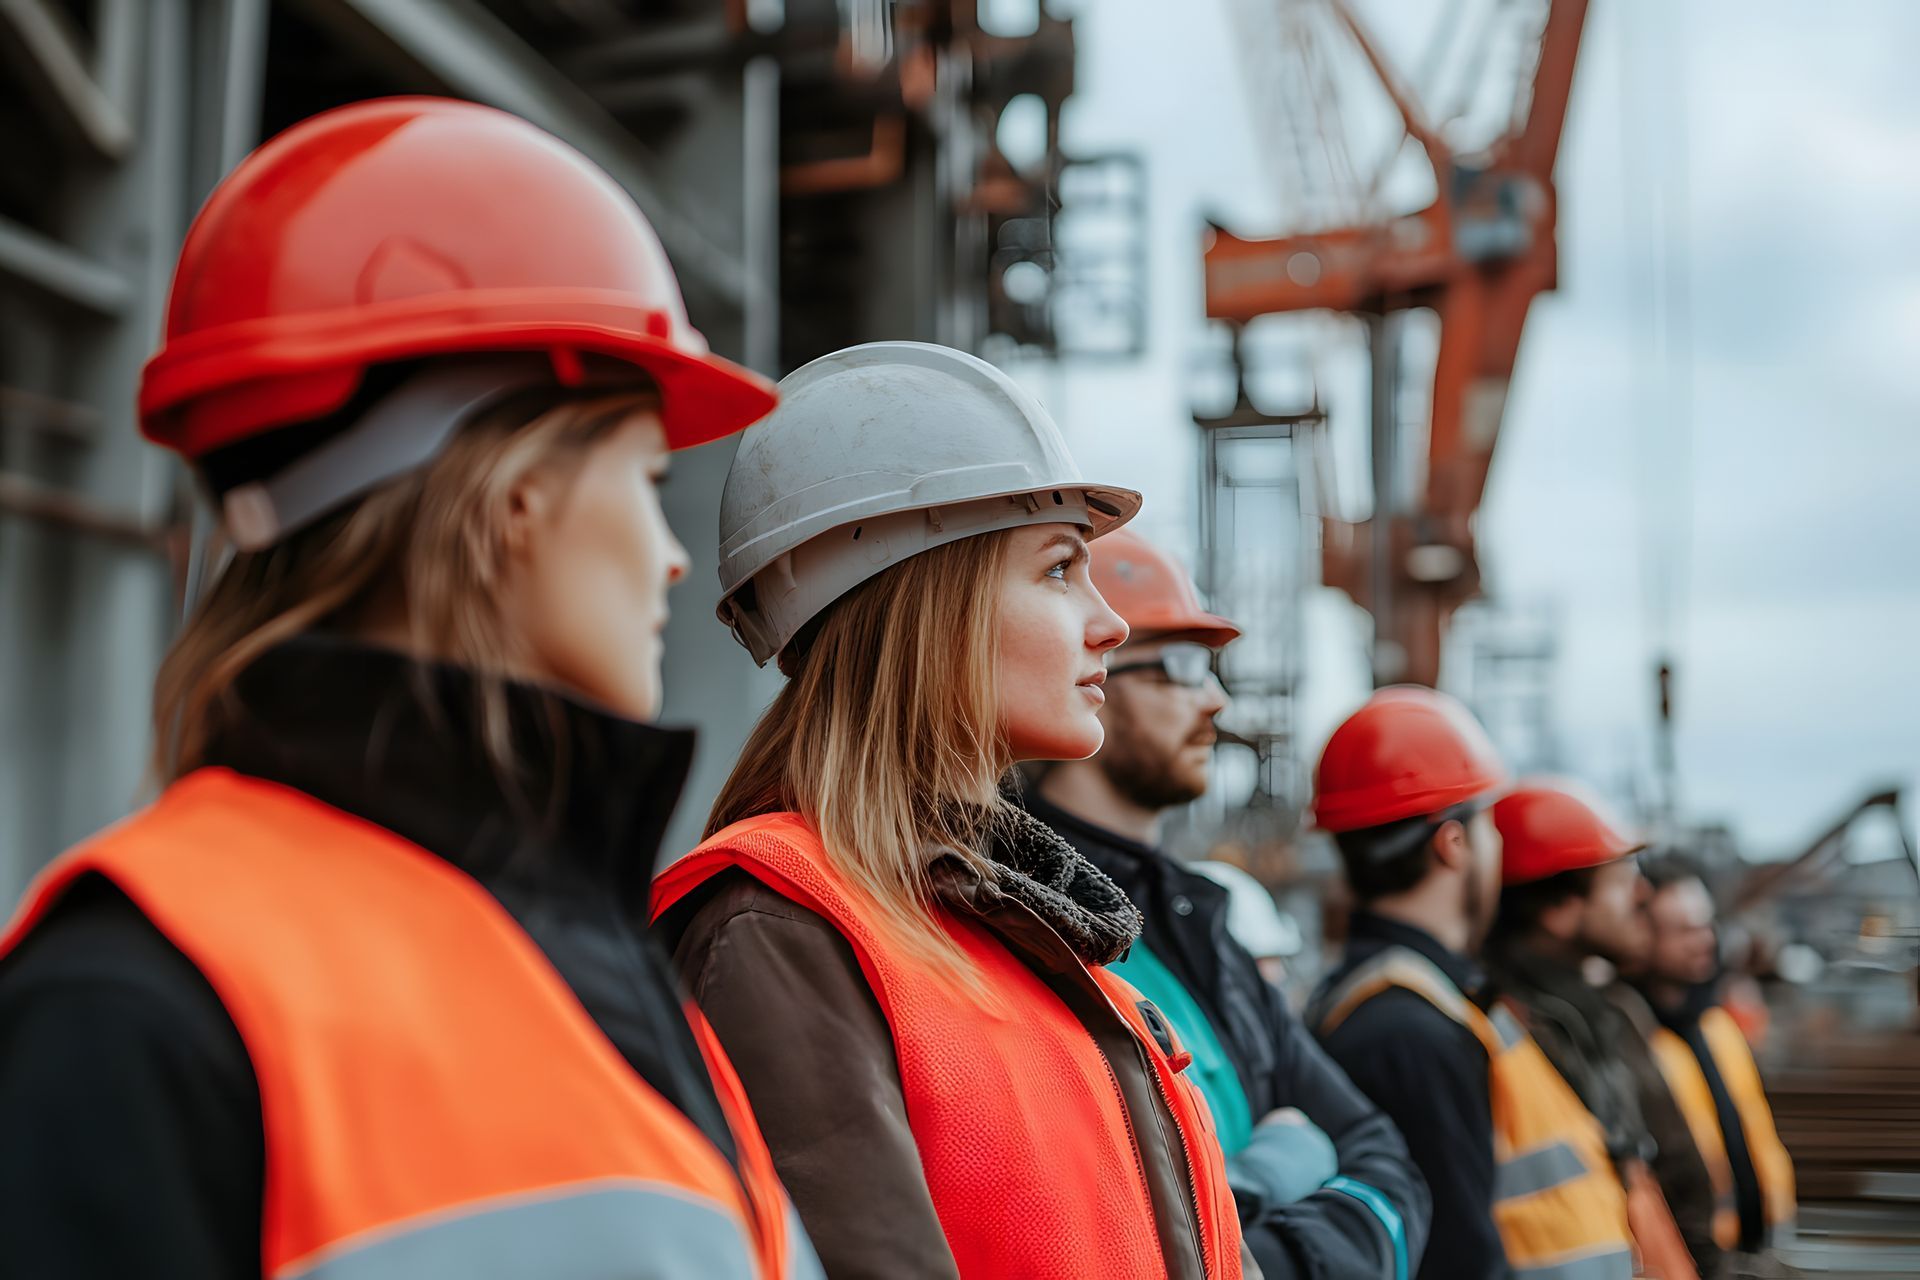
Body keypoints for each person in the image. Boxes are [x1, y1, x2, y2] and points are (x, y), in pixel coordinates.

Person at [0, 98, 817, 1279]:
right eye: (644, 481)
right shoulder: (127, 1006)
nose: (672, 552)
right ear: (515, 502)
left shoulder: (588, 949)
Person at [651, 342, 1250, 1279]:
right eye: (1059, 569)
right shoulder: (782, 932)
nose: (1111, 623)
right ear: (929, 599)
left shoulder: (1028, 934)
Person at [1022, 527, 1430, 1280]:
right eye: (1180, 667)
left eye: (1210, 668)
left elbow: (1384, 1159)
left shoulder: (1202, 922)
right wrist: (1280, 1179)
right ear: (1085, 670)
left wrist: (1257, 1251)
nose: (1215, 699)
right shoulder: (1021, 922)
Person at [1306, 688, 1635, 1280]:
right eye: (1490, 826)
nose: (1501, 846)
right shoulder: (1409, 1031)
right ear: (1452, 843)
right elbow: (1456, 1259)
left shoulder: (1422, 1005)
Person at [1487, 781, 1719, 1278]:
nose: (1642, 895)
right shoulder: (1513, 1029)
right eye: (1619, 879)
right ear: (1558, 911)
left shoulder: (1595, 1012)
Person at [1636, 859, 1797, 1266]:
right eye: (1684, 930)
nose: (1704, 940)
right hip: (1695, 1259)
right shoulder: (1634, 1040)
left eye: (1706, 925)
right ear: (1640, 935)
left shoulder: (1718, 1026)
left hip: (1757, 1250)